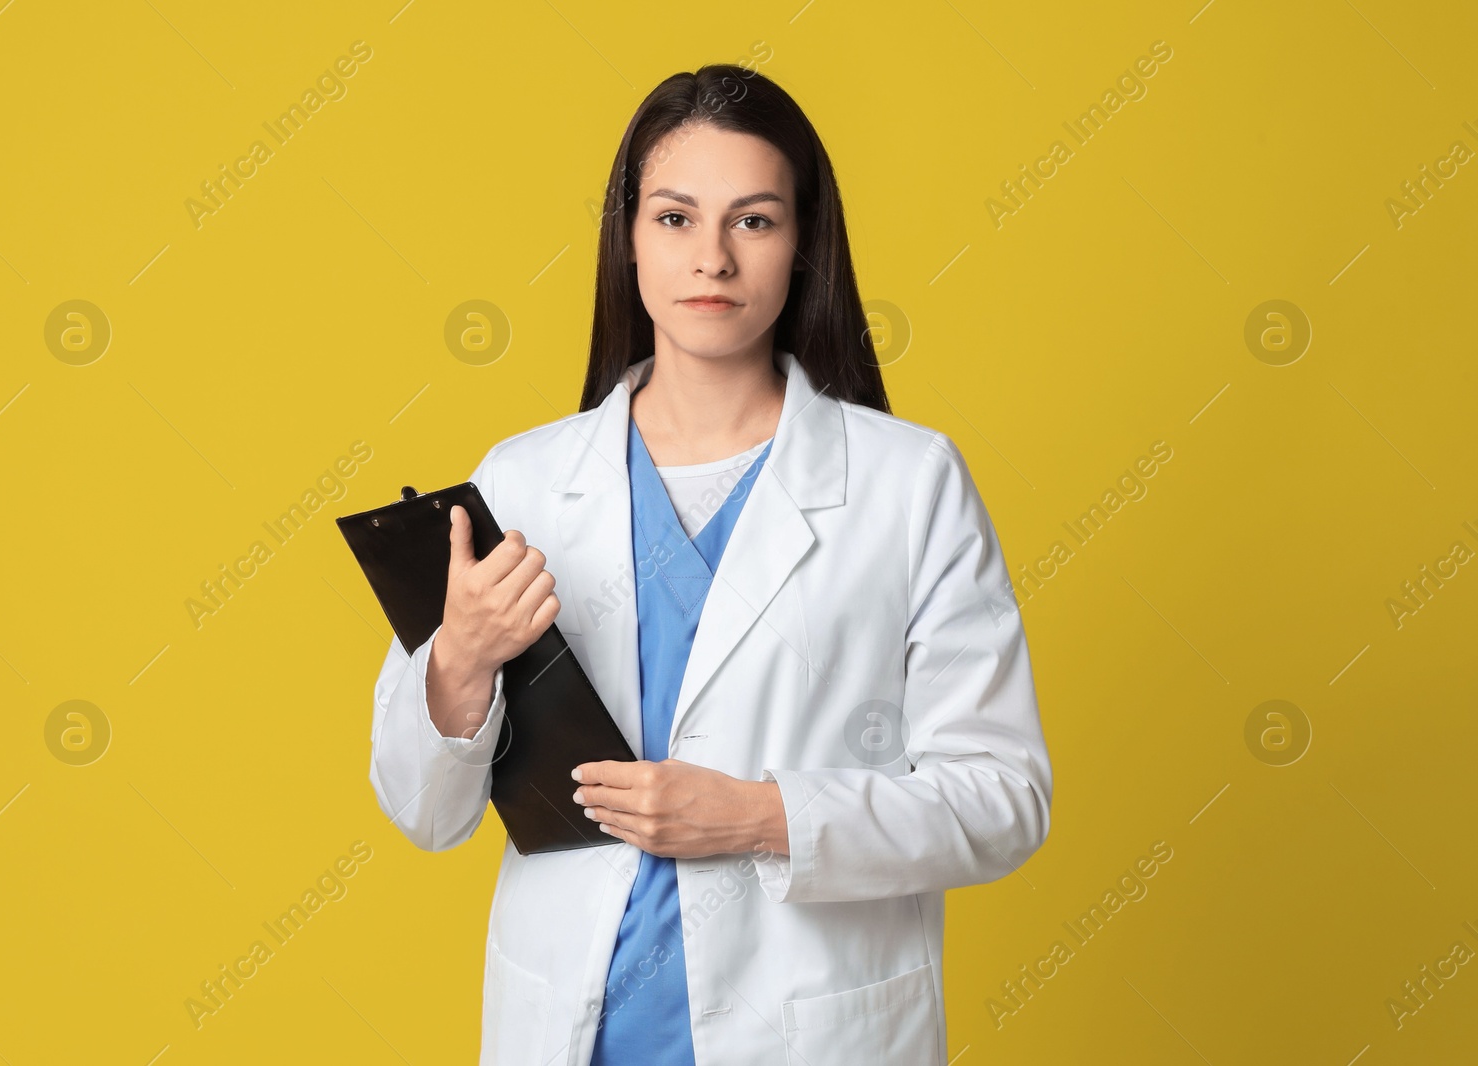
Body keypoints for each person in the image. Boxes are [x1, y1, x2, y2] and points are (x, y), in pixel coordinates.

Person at [368, 63, 1053, 1066]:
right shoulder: (523, 480)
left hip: (809, 1027)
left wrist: (763, 816)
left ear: (805, 243)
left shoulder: (908, 484)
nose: (715, 259)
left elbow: (1003, 799)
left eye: (756, 221)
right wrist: (460, 660)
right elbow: (423, 812)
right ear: (628, 238)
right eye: (677, 218)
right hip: (576, 1028)